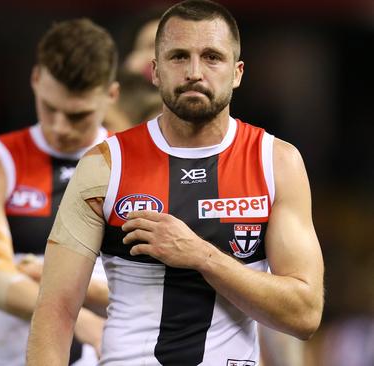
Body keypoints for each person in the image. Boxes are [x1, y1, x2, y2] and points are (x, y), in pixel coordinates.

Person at [27, 1, 325, 365]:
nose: (194, 72)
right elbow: (55, 310)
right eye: (179, 57)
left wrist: (202, 256)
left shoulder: (277, 162)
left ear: (237, 72)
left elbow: (304, 315)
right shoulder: (105, 165)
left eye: (212, 57)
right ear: (154, 71)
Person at [0, 18, 119, 366]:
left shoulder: (135, 162)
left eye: (78, 116)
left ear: (111, 95)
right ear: (34, 80)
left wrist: (56, 279)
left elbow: (163, 289)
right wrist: (82, 318)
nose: (60, 127)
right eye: (50, 108)